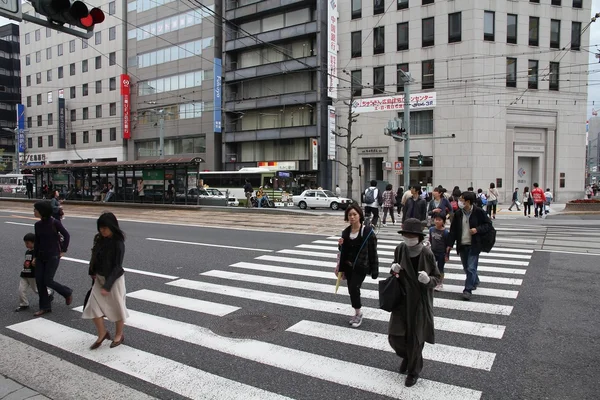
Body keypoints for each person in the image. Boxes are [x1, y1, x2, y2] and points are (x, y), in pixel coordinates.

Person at [388, 218, 440, 387]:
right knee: (395, 336)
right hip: (402, 299)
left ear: (418, 236)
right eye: (406, 234)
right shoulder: (400, 249)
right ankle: (407, 357)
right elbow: (393, 271)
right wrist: (393, 270)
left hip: (419, 301)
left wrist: (428, 280)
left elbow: (437, 277)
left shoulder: (427, 253)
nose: (408, 238)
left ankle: (413, 371)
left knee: (416, 338)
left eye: (411, 235)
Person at [83, 212, 129, 349]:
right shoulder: (99, 239)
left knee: (117, 307)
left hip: (114, 280)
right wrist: (92, 271)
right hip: (99, 277)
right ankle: (102, 333)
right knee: (91, 307)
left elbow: (117, 267)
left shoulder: (118, 243)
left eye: (105, 228)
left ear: (112, 226)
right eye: (100, 228)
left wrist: (107, 286)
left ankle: (119, 335)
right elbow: (94, 255)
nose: (102, 231)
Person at [337, 204, 379, 328]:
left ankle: (358, 314)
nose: (352, 217)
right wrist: (340, 245)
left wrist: (374, 270)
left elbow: (373, 252)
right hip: (348, 265)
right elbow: (343, 250)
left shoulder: (367, 232)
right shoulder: (346, 232)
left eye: (354, 214)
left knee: (354, 287)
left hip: (361, 266)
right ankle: (357, 312)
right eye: (350, 215)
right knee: (351, 289)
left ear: (359, 215)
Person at [447, 191, 493, 301]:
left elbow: (488, 225)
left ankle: (467, 290)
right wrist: (449, 244)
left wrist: (477, 229)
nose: (459, 202)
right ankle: (475, 281)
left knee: (471, 267)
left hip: (474, 244)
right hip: (462, 244)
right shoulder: (458, 213)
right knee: (466, 267)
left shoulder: (479, 212)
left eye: (461, 200)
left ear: (468, 202)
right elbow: (453, 230)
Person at [31, 201, 72, 317]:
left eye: (35, 210)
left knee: (48, 280)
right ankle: (45, 307)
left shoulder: (55, 222)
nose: (34, 212)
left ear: (42, 211)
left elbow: (66, 235)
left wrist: (63, 250)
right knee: (39, 281)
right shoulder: (37, 225)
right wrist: (35, 256)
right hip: (40, 256)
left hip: (53, 255)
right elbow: (37, 242)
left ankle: (67, 292)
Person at [15, 233, 53, 312]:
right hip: (25, 273)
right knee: (21, 290)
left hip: (33, 274)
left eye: (28, 243)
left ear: (34, 242)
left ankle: (49, 293)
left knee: (36, 290)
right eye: (25, 243)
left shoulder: (37, 252)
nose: (26, 245)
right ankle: (24, 304)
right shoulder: (27, 252)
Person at [429, 214, 449, 291]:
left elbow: (448, 245)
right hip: (433, 251)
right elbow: (430, 240)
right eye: (436, 219)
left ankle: (440, 283)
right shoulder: (431, 229)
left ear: (443, 222)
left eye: (439, 220)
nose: (437, 221)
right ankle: (432, 281)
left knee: (440, 268)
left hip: (441, 253)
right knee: (432, 267)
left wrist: (447, 255)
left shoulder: (445, 232)